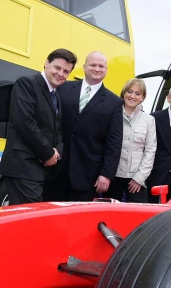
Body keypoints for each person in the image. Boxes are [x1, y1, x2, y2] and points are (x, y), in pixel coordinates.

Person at [0, 48, 76, 206]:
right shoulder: (27, 83)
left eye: (66, 71)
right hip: (22, 166)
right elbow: (24, 122)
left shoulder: (56, 95)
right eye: (57, 68)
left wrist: (57, 151)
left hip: (36, 169)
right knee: (27, 219)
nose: (61, 74)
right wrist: (47, 153)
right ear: (46, 63)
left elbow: (57, 129)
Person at [44, 51, 123, 202]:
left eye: (101, 66)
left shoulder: (114, 102)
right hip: (54, 169)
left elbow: (114, 142)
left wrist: (106, 174)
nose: (97, 69)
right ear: (85, 67)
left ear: (106, 70)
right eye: (93, 65)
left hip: (87, 175)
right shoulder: (63, 88)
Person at [108, 78, 157, 203]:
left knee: (139, 218)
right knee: (111, 216)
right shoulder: (112, 115)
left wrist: (139, 178)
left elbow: (150, 151)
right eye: (130, 91)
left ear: (143, 97)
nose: (132, 96)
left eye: (137, 93)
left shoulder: (149, 120)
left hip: (136, 179)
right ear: (124, 93)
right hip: (113, 176)